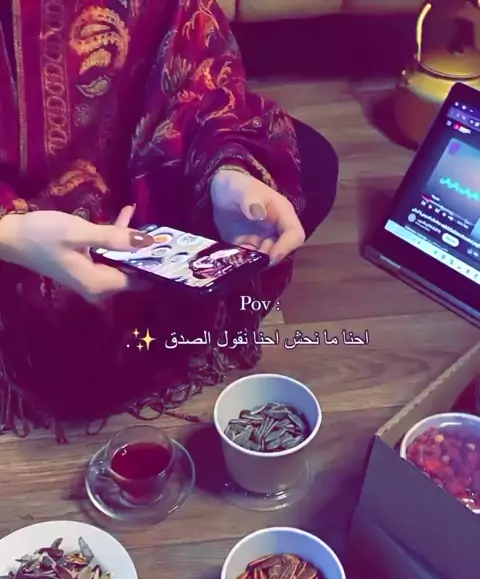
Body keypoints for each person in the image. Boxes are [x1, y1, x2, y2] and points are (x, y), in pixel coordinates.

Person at [0, 0, 338, 440]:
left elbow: (194, 59)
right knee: (57, 339)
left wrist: (225, 170)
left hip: (132, 169)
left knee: (306, 167)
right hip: (17, 217)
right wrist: (11, 234)